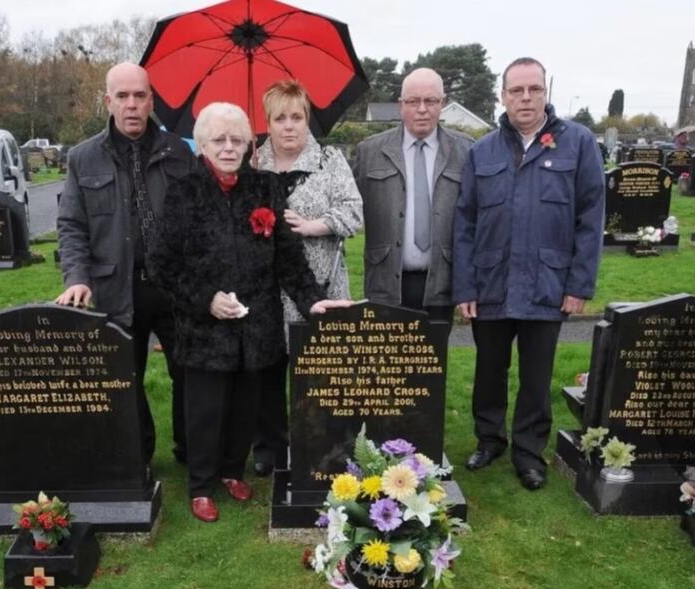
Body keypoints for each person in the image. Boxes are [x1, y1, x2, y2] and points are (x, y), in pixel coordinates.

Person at [147, 102, 349, 523]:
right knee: (206, 409)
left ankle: (231, 471)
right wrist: (207, 299)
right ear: (202, 144)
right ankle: (201, 484)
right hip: (205, 327)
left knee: (245, 407)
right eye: (218, 140)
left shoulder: (266, 189)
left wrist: (312, 299)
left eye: (236, 139)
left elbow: (289, 259)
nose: (227, 147)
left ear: (249, 144)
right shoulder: (184, 192)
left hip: (257, 325)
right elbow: (163, 264)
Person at [453, 57, 604, 490]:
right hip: (491, 283)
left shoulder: (577, 144)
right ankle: (489, 439)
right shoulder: (483, 151)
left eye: (533, 89)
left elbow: (591, 219)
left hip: (547, 285)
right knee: (489, 371)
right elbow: (464, 223)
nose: (525, 98)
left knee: (537, 377)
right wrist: (465, 284)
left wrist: (578, 284)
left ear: (545, 92)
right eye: (516, 90)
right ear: (502, 96)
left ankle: (528, 452)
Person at [55, 62, 195, 466]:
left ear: (151, 99)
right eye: (123, 96)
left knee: (189, 371)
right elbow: (71, 225)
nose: (132, 105)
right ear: (108, 101)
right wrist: (77, 277)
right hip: (115, 287)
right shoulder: (83, 158)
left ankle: (190, 450)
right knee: (123, 377)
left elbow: (196, 218)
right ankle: (138, 454)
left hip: (172, 288)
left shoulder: (178, 151)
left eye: (140, 96)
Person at [252, 80, 363, 476]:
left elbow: (355, 214)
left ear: (307, 120)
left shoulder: (329, 161)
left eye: (296, 117)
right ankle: (269, 446)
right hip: (267, 289)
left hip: (321, 286)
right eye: (279, 118)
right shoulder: (252, 163)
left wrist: (314, 225)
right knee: (268, 372)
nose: (288, 126)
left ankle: (322, 441)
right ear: (267, 122)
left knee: (318, 371)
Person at [353, 68, 473, 323]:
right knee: (388, 362)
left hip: (441, 285)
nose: (422, 109)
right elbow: (346, 206)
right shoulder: (369, 151)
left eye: (430, 101)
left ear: (442, 104)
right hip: (385, 284)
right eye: (413, 101)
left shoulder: (465, 151)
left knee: (432, 362)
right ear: (400, 105)